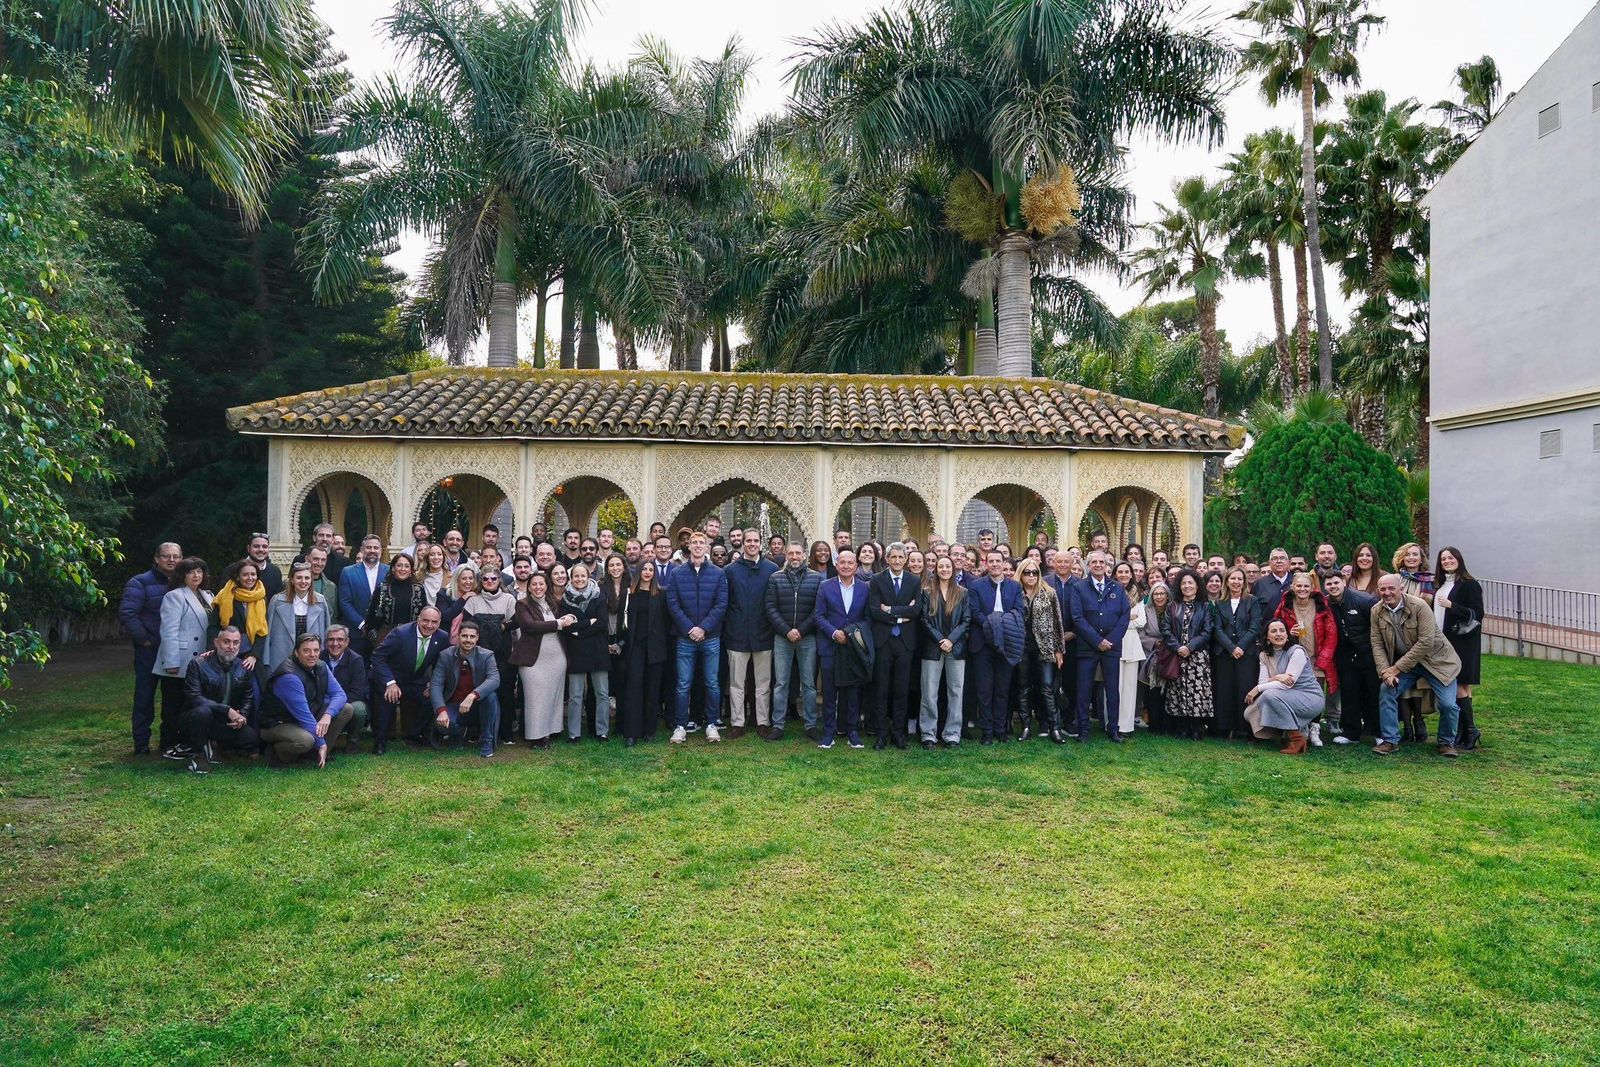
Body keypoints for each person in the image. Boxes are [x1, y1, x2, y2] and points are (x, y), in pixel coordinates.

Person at [1370, 574, 1463, 757]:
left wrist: (1396, 668)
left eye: (1391, 589)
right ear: (1378, 591)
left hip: (1438, 662)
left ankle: (1446, 742)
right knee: (1386, 690)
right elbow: (1377, 643)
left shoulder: (1419, 606)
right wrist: (1385, 673)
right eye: (1383, 589)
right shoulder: (1376, 611)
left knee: (1447, 705)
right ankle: (1390, 740)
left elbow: (1426, 642)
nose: (1387, 593)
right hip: (1409, 664)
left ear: (1401, 589)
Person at [665, 532, 729, 744]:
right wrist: (690, 628)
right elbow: (673, 604)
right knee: (683, 684)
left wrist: (703, 628)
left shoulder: (719, 574)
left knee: (712, 682)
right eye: (694, 543)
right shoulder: (677, 573)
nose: (698, 546)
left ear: (707, 547)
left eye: (702, 543)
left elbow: (721, 605)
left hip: (711, 637)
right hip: (685, 637)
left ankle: (711, 724)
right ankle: (681, 726)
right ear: (688, 546)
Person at [120, 541, 183, 755]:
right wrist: (145, 640)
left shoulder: (184, 583)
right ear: (157, 558)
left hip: (174, 651)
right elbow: (128, 613)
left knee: (173, 699)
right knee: (145, 698)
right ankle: (141, 743)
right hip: (149, 650)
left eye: (176, 556)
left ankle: (169, 741)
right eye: (167, 556)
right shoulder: (139, 582)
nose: (171, 560)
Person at [258, 632, 351, 767]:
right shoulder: (289, 677)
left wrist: (327, 715)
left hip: (302, 718)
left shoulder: (321, 666)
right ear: (296, 652)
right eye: (306, 650)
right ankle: (277, 753)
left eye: (316, 650)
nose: (312, 655)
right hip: (277, 723)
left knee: (346, 709)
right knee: (306, 740)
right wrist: (322, 743)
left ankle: (314, 755)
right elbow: (304, 716)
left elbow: (340, 695)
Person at [155, 557, 214, 760]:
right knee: (173, 704)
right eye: (191, 572)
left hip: (200, 662)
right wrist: (171, 662)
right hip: (179, 660)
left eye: (200, 571)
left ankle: (188, 743)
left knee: (191, 704)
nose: (196, 575)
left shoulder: (208, 595)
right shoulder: (174, 596)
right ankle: (169, 744)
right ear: (182, 575)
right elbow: (168, 631)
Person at [178, 627, 260, 774]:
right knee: (203, 713)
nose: (231, 647)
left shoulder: (243, 667)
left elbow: (248, 697)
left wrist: (242, 716)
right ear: (216, 642)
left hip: (223, 721)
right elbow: (194, 697)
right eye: (226, 642)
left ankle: (215, 745)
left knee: (251, 738)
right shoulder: (198, 664)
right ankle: (198, 755)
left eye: (236, 642)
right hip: (195, 718)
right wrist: (227, 710)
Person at [1068, 551, 1130, 743]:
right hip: (1087, 646)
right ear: (1088, 565)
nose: (1097, 565)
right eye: (1093, 562)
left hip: (1112, 647)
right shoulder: (1079, 588)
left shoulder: (1118, 588)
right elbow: (1077, 618)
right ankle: (1083, 730)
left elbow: (1124, 616)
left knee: (1112, 689)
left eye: (1101, 562)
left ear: (1106, 565)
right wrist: (1097, 641)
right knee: (1084, 689)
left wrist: (1109, 640)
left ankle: (1113, 729)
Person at [813, 548, 873, 749]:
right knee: (829, 691)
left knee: (853, 691)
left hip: (853, 648)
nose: (846, 566)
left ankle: (852, 731)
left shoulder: (865, 588)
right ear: (836, 565)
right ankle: (829, 732)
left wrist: (853, 634)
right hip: (830, 645)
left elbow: (867, 618)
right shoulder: (825, 586)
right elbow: (818, 616)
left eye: (850, 563)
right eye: (842, 562)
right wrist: (834, 633)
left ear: (856, 567)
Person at [369, 605, 449, 754]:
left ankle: (413, 735)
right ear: (418, 619)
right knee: (388, 699)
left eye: (434, 622)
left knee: (432, 699)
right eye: (425, 620)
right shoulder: (401, 633)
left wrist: (433, 683)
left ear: (439, 623)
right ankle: (380, 741)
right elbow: (377, 657)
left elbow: (440, 663)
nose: (429, 625)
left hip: (414, 680)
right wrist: (390, 683)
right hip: (391, 677)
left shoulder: (442, 637)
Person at [509, 573, 576, 748]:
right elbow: (530, 626)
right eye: (534, 584)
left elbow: (569, 615)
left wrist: (571, 618)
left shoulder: (553, 603)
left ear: (547, 586)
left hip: (556, 658)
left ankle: (550, 731)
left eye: (541, 584)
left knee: (553, 696)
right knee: (535, 698)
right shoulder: (522, 605)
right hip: (533, 659)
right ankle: (536, 737)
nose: (538, 587)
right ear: (529, 587)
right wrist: (559, 624)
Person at [1273, 572, 1339, 746]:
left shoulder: (1321, 605)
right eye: (1299, 586)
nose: (1302, 589)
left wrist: (1323, 660)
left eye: (1306, 586)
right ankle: (1299, 727)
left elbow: (1332, 634)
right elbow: (1274, 628)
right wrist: (1288, 632)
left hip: (1316, 657)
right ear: (1293, 587)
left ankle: (1315, 729)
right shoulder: (1285, 604)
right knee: (1294, 692)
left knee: (1315, 694)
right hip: (1294, 656)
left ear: (1312, 588)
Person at [724, 530, 778, 738]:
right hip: (736, 635)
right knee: (737, 683)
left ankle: (763, 721)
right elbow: (726, 603)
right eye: (749, 541)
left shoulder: (771, 569)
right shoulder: (730, 571)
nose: (752, 544)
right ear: (743, 543)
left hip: (763, 634)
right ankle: (738, 722)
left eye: (756, 541)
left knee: (763, 683)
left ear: (761, 543)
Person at [968, 549, 1025, 744]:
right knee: (984, 690)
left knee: (1002, 689)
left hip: (1007, 644)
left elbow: (1018, 612)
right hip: (982, 643)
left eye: (997, 561)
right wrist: (993, 627)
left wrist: (1001, 627)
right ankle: (987, 731)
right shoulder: (976, 586)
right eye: (990, 561)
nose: (994, 564)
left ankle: (1000, 730)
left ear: (1003, 563)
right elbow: (974, 612)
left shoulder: (1015, 587)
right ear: (986, 564)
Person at [867, 542, 921, 749]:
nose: (897, 561)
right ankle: (881, 733)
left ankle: (899, 733)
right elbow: (874, 611)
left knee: (902, 689)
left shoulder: (914, 581)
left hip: (905, 643)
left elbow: (916, 611)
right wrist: (900, 614)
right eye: (894, 557)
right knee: (881, 688)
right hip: (884, 641)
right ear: (887, 559)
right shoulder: (877, 581)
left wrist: (889, 610)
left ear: (906, 560)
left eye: (901, 557)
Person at [767, 541, 822, 741]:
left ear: (805, 555)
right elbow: (770, 608)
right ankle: (778, 725)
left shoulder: (817, 579)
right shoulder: (776, 578)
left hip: (807, 637)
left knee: (808, 683)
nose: (794, 557)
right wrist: (786, 630)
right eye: (791, 553)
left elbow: (818, 610)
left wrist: (801, 630)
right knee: (781, 683)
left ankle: (810, 725)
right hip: (782, 637)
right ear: (786, 555)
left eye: (798, 553)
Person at [1245, 620, 1326, 754]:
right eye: (1274, 631)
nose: (1279, 634)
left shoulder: (1297, 652)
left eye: (1282, 630)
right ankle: (1283, 732)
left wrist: (1258, 689)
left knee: (1269, 695)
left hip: (1310, 697)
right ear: (1267, 637)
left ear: (1287, 635)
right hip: (1286, 696)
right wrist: (1277, 677)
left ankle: (1297, 738)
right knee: (1249, 713)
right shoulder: (1264, 655)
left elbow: (1288, 683)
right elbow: (1263, 682)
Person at [1433, 546, 1484, 750]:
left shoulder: (1469, 584)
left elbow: (1478, 613)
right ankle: (1465, 731)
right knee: (1462, 688)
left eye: (1450, 558)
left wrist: (1452, 606)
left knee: (1460, 686)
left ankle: (1469, 731)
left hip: (1462, 642)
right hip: (1445, 641)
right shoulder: (1442, 584)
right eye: (1443, 559)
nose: (1447, 561)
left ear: (1459, 560)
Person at [429, 619, 501, 756]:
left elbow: (494, 679)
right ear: (458, 636)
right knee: (441, 725)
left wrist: (473, 695)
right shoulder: (445, 655)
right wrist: (441, 710)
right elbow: (436, 684)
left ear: (477, 638)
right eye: (464, 636)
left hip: (478, 706)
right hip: (454, 705)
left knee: (491, 697)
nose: (468, 640)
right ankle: (458, 735)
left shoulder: (487, 655)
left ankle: (487, 740)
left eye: (472, 636)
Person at [1322, 573, 1380, 745]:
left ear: (1344, 582)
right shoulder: (1326, 604)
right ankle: (1351, 733)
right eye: (1329, 584)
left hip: (1368, 654)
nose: (1333, 586)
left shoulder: (1364, 601)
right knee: (1349, 693)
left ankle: (1379, 732)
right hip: (1345, 655)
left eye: (1336, 582)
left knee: (1373, 694)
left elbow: (1379, 628)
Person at [918, 555, 969, 748]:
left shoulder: (963, 593)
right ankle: (928, 734)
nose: (944, 569)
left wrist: (951, 640)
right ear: (936, 569)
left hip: (956, 649)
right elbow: (924, 620)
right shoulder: (927, 592)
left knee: (956, 691)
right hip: (932, 648)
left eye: (948, 566)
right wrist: (941, 640)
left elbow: (966, 620)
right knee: (929, 692)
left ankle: (952, 734)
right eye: (941, 566)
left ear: (953, 569)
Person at [463, 565, 518, 744]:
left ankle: (505, 732)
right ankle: (475, 730)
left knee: (506, 693)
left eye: (493, 579)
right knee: (478, 690)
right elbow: (467, 624)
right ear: (481, 581)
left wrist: (502, 626)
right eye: (485, 579)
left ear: (499, 580)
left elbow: (516, 621)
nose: (489, 581)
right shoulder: (473, 601)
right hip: (478, 655)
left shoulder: (509, 599)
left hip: (504, 654)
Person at [1209, 566, 1261, 740]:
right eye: (1233, 579)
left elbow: (1254, 627)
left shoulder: (1252, 601)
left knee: (1244, 688)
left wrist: (1241, 647)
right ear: (1227, 581)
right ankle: (1225, 727)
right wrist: (1231, 647)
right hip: (1224, 653)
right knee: (1224, 689)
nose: (1236, 582)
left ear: (1244, 582)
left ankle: (1245, 727)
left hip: (1246, 653)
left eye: (1239, 579)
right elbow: (1216, 628)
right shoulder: (1219, 602)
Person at [1016, 559, 1065, 742]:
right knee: (1023, 687)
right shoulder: (1014, 592)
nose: (1031, 576)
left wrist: (1059, 649)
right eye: (1027, 572)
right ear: (1021, 573)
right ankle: (1026, 726)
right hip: (1021, 646)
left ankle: (1054, 728)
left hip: (1045, 646)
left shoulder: (1049, 593)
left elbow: (1058, 622)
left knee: (1046, 686)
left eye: (1034, 572)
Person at [621, 559, 670, 746]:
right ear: (639, 572)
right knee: (634, 690)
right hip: (635, 648)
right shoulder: (629, 594)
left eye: (651, 569)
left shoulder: (661, 595)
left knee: (652, 690)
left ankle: (649, 730)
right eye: (645, 569)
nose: (648, 572)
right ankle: (631, 733)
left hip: (655, 649)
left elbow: (666, 623)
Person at [561, 562, 611, 741]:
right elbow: (566, 628)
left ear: (588, 577)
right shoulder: (565, 599)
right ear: (571, 578)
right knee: (575, 695)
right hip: (576, 652)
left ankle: (602, 731)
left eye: (583, 576)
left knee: (602, 693)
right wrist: (588, 622)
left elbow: (602, 622)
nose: (579, 579)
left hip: (598, 650)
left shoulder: (598, 596)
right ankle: (574, 734)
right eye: (576, 576)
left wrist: (579, 631)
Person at [1161, 571, 1214, 740]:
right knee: (1178, 691)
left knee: (1197, 692)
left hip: (1197, 656)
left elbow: (1208, 631)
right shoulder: (1172, 606)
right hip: (1177, 655)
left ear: (1197, 586)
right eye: (1184, 583)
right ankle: (1182, 727)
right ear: (1179, 586)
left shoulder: (1204, 606)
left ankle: (1197, 728)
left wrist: (1190, 647)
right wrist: (1178, 647)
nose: (1187, 586)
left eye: (1190, 583)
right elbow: (1166, 630)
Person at [261, 562, 330, 673]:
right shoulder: (277, 600)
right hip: (281, 657)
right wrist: (266, 660)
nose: (303, 581)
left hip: (311, 658)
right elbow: (267, 632)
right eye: (299, 578)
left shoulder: (320, 601)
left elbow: (326, 631)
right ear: (292, 580)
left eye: (307, 578)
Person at [210, 559, 269, 674]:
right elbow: (213, 626)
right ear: (237, 577)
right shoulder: (224, 595)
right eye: (245, 574)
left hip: (251, 656)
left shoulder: (261, 598)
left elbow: (262, 631)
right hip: (227, 653)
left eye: (253, 574)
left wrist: (254, 655)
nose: (250, 578)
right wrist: (212, 650)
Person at [321, 625, 369, 753]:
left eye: (340, 639)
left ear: (347, 642)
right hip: (322, 701)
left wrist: (336, 703)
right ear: (326, 642)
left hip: (347, 700)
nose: (335, 643)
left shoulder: (356, 660)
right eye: (331, 639)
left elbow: (358, 692)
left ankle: (353, 741)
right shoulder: (319, 658)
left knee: (359, 709)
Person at [338, 534, 388, 654]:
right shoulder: (348, 572)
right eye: (368, 547)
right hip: (356, 633)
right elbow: (344, 602)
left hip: (382, 633)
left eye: (376, 548)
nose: (372, 551)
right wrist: (362, 624)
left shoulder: (389, 572)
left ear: (381, 550)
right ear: (362, 550)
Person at [364, 552, 422, 647]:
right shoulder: (382, 589)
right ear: (393, 568)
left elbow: (422, 614)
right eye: (399, 565)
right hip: (385, 637)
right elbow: (371, 615)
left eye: (406, 566)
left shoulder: (419, 590)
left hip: (411, 637)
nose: (403, 569)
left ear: (411, 570)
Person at [1116, 562, 1147, 739]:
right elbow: (1109, 619)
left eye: (1127, 571)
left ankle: (1126, 726)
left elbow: (1141, 621)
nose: (1123, 574)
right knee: (1114, 688)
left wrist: (1122, 619)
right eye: (1120, 571)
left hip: (1132, 646)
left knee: (1129, 689)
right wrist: (1128, 617)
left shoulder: (1139, 594)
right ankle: (1112, 722)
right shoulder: (1110, 591)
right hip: (1114, 643)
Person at [1137, 583, 1172, 733]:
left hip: (1170, 654)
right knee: (1152, 691)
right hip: (1150, 654)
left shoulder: (1173, 609)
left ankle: (1167, 724)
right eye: (1156, 594)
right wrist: (1153, 643)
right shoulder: (1145, 610)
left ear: (1167, 595)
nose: (1159, 597)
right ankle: (1154, 724)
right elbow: (1139, 633)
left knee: (1168, 690)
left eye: (1162, 594)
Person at [1252, 548, 1293, 620]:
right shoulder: (1259, 584)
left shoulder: (1297, 581)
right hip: (1266, 628)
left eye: (1282, 558)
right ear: (1269, 563)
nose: (1279, 561)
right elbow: (1253, 612)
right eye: (1275, 559)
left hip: (1293, 629)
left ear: (1288, 562)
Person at [305, 547, 341, 624]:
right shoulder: (291, 584)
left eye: (323, 560)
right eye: (316, 559)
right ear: (307, 559)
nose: (319, 563)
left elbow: (333, 616)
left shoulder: (331, 587)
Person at [245, 533, 284, 599]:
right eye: (256, 546)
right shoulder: (235, 569)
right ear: (248, 548)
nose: (261, 550)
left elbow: (278, 600)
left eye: (264, 546)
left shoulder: (275, 571)